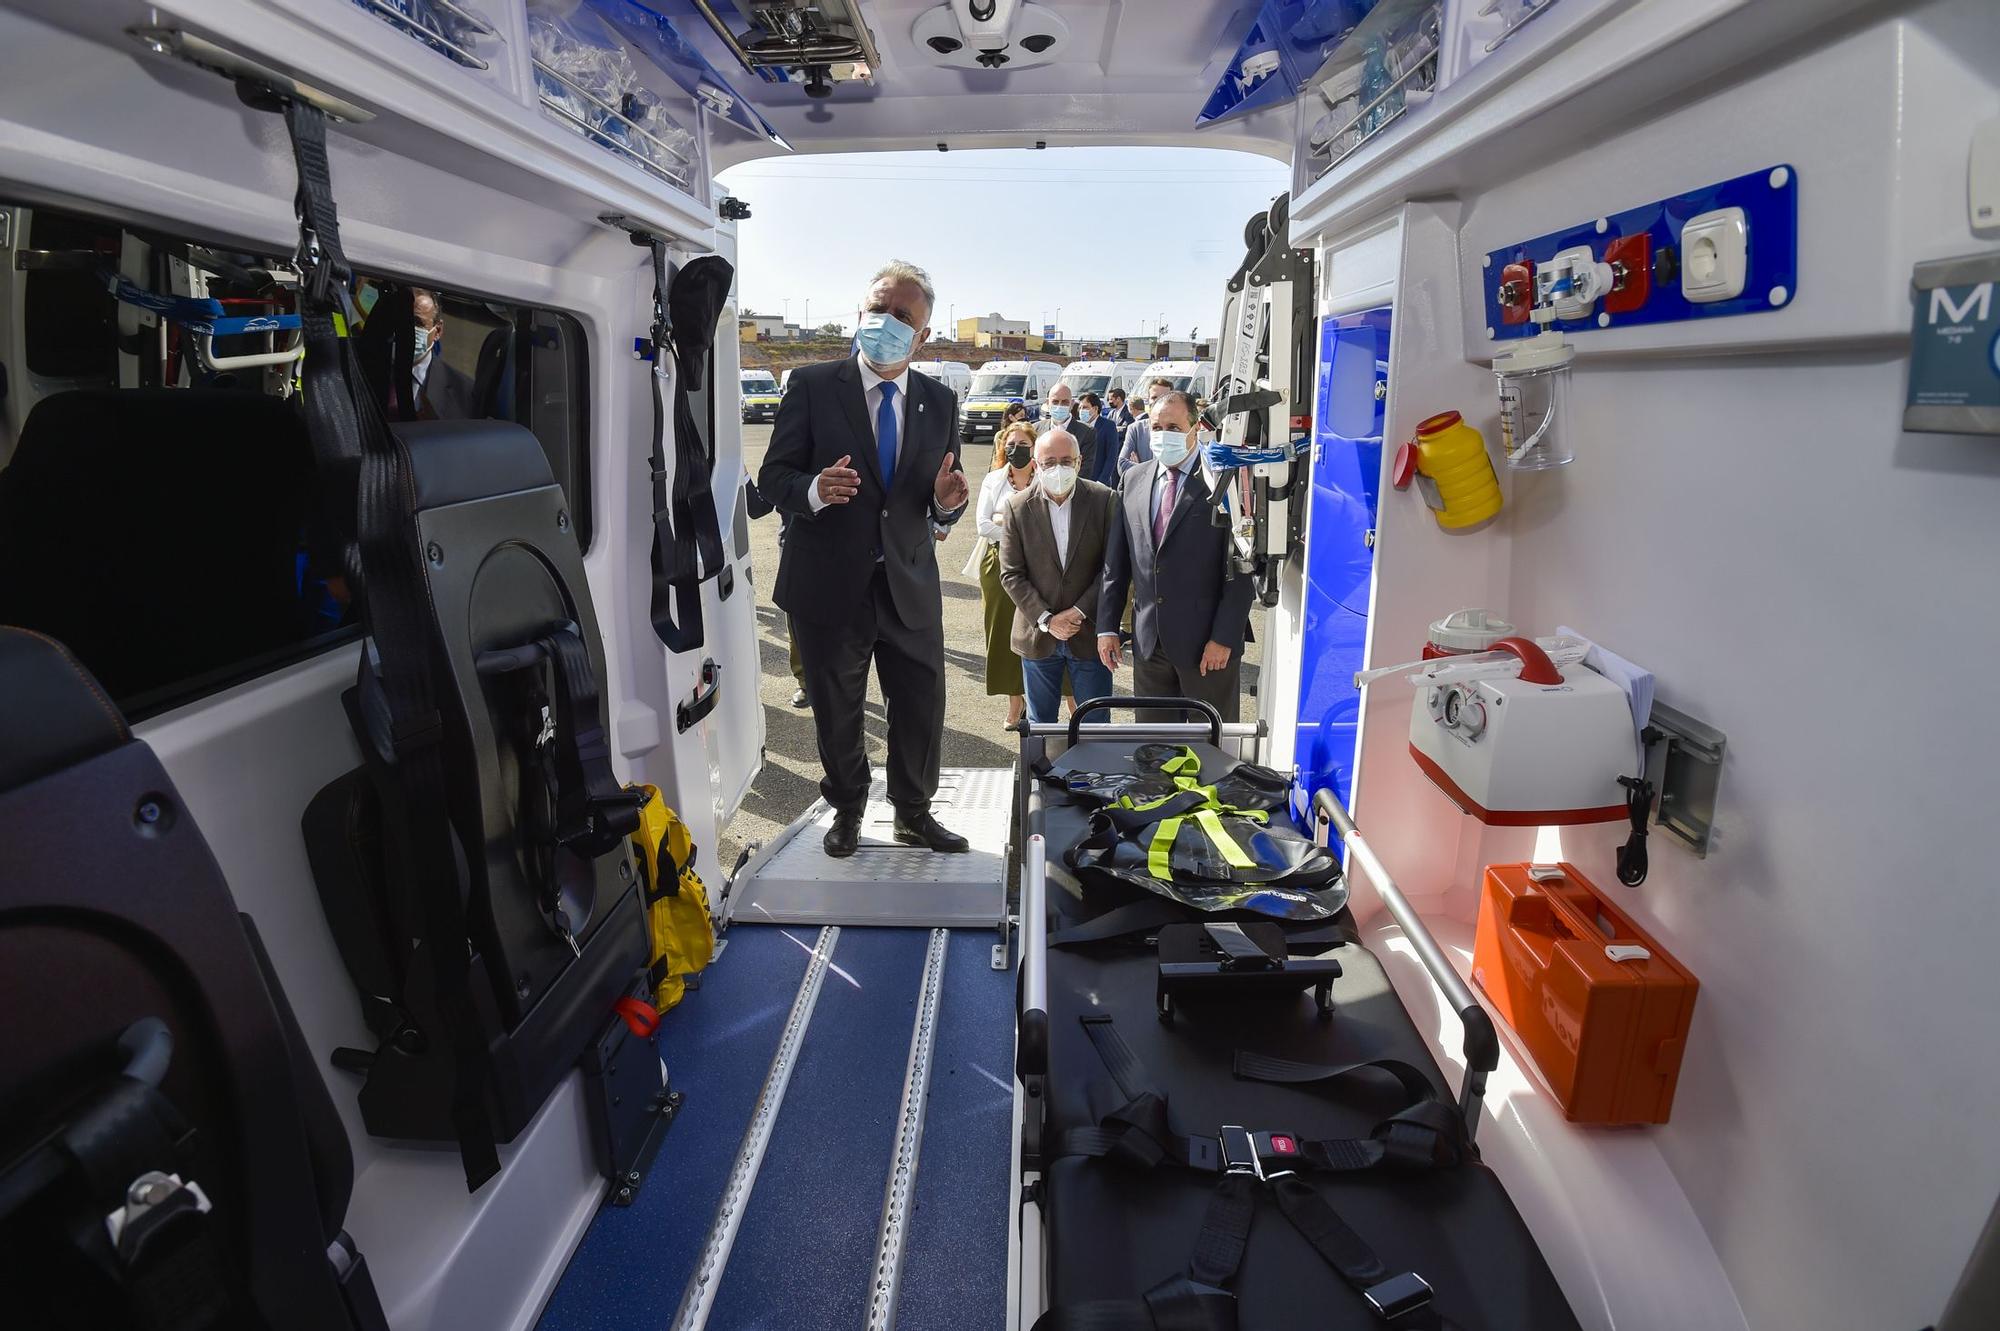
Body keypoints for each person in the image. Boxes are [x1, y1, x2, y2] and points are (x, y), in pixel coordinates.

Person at [758, 261, 972, 857]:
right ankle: (847, 809)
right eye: (878, 309)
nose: (886, 323)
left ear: (923, 334)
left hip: (907, 583)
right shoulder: (811, 384)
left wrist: (948, 506)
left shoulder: (939, 401)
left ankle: (912, 813)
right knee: (837, 709)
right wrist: (812, 490)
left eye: (902, 316)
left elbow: (940, 497)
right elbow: (774, 475)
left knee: (921, 707)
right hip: (828, 585)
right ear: (860, 311)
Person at [1097, 390, 1253, 722]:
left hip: (1207, 648)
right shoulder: (1133, 479)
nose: (1162, 434)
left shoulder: (1223, 481)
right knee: (1155, 749)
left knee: (1209, 751)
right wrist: (1107, 626)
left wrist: (1223, 637)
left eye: (1173, 426)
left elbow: (1242, 568)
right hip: (1149, 644)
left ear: (1196, 428)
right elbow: (1117, 563)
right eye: (1156, 426)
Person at [998, 427, 1116, 725]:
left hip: (1088, 633)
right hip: (1037, 634)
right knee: (1040, 726)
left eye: (1066, 460)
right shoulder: (1017, 507)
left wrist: (1077, 612)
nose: (1058, 468)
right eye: (1049, 462)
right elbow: (1011, 574)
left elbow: (1112, 568)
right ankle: (1042, 774)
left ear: (1079, 462)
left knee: (1095, 723)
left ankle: (1093, 774)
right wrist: (1048, 619)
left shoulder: (1104, 500)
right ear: (1036, 465)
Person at [965, 420, 1037, 726]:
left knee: (1043, 633)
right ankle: (1015, 703)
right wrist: (1022, 528)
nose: (1015, 450)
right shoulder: (994, 480)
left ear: (1034, 447)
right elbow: (983, 525)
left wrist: (1005, 519)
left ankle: (1045, 703)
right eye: (1010, 444)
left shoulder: (1047, 476)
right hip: (1000, 563)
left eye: (1022, 445)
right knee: (1003, 634)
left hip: (1041, 565)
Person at [745, 474, 809, 708]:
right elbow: (757, 507)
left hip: (838, 548)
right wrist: (737, 467)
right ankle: (805, 682)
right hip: (794, 549)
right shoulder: (786, 457)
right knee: (797, 618)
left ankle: (840, 680)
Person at [411, 288, 475, 420]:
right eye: (401, 320)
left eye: (417, 323)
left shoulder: (464, 392)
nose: (406, 329)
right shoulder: (367, 371)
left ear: (438, 330)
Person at [1119, 377, 1176, 474]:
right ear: (1148, 400)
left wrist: (1140, 468)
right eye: (1154, 397)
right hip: (1142, 488)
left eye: (1163, 397)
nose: (1158, 401)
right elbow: (1122, 465)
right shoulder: (1136, 429)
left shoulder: (1180, 429)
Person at [1039, 382, 1094, 481]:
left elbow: (1085, 470)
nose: (1060, 406)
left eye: (1065, 402)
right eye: (1055, 402)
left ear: (1072, 404)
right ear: (1048, 403)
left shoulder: (1087, 432)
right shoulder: (1036, 429)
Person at [1076, 391, 1119, 488]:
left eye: (1085, 407)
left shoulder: (1108, 426)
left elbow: (1111, 457)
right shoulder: (1078, 426)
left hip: (1099, 482)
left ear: (1095, 408)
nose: (1081, 411)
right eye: (1080, 408)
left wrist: (1102, 481)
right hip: (1079, 482)